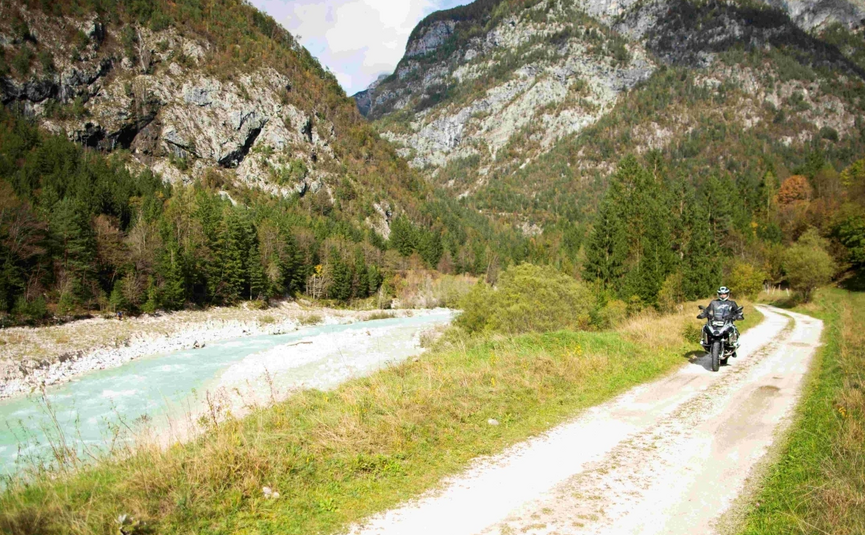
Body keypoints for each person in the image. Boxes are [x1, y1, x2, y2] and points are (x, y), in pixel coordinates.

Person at [697, 286, 742, 353]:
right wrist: (703, 314)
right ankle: (705, 342)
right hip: (715, 322)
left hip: (727, 322)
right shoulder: (713, 303)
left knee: (734, 328)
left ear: (727, 294)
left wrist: (738, 316)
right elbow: (708, 310)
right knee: (705, 327)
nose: (722, 295)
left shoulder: (732, 303)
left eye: (724, 294)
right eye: (721, 294)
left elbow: (737, 312)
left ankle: (734, 343)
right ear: (718, 294)